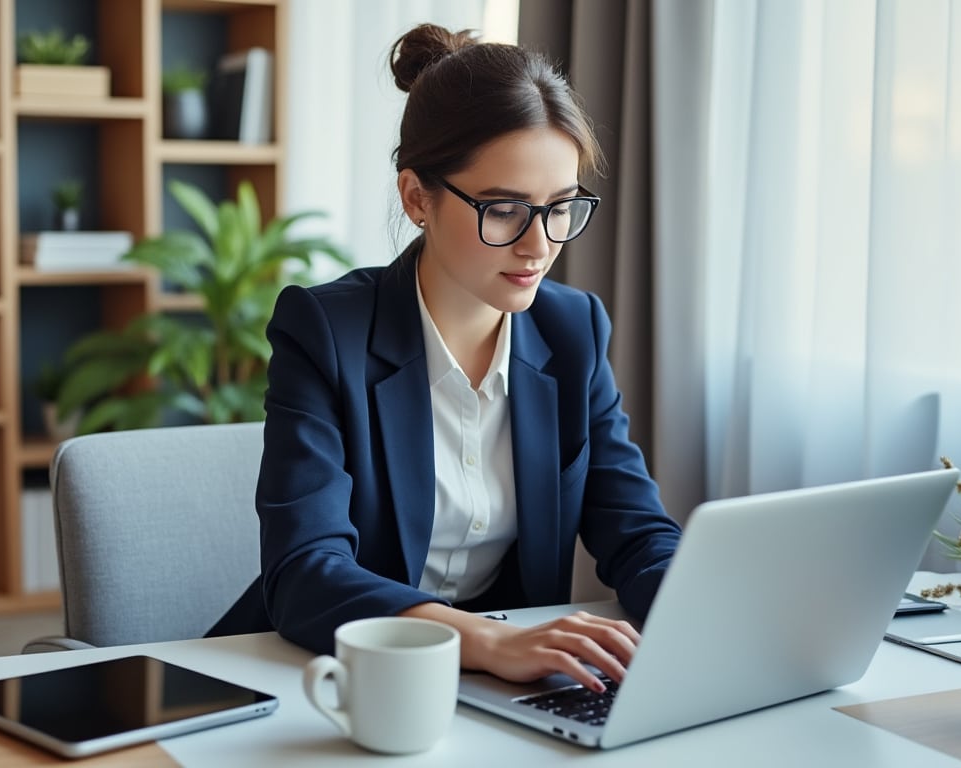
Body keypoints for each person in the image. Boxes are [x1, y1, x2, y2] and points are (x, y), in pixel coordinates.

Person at [256, 23, 681, 693]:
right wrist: (489, 641)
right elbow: (305, 573)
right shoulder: (324, 332)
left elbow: (637, 532)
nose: (539, 246)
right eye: (505, 209)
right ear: (416, 198)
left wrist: (711, 620)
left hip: (498, 688)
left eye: (561, 208)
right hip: (333, 679)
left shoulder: (574, 332)